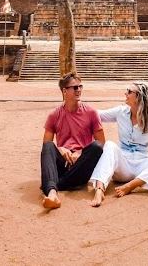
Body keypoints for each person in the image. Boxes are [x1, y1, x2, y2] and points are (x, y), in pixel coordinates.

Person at [90, 81, 148, 207]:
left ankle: (131, 185)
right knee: (110, 145)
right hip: (123, 166)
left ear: (139, 97)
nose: (126, 93)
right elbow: (97, 115)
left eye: (129, 92)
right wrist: (79, 106)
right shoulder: (120, 112)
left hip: (143, 167)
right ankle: (99, 190)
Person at [41, 72, 105, 209]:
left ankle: (53, 183)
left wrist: (81, 152)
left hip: (80, 166)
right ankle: (53, 193)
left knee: (97, 147)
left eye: (80, 86)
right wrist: (61, 149)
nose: (79, 90)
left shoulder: (91, 112)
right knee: (48, 147)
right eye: (75, 87)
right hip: (63, 163)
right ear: (64, 91)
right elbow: (47, 143)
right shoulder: (54, 115)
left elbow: (101, 142)